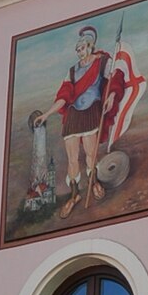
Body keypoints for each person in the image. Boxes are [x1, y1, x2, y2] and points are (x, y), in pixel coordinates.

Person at [39, 25, 126, 218]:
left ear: (90, 46)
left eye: (82, 48)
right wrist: (47, 114)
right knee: (72, 159)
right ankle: (75, 194)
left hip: (91, 112)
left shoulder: (102, 62)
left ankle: (94, 182)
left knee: (90, 154)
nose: (79, 53)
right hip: (74, 115)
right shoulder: (72, 71)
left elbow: (115, 77)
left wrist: (111, 94)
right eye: (77, 50)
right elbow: (63, 96)